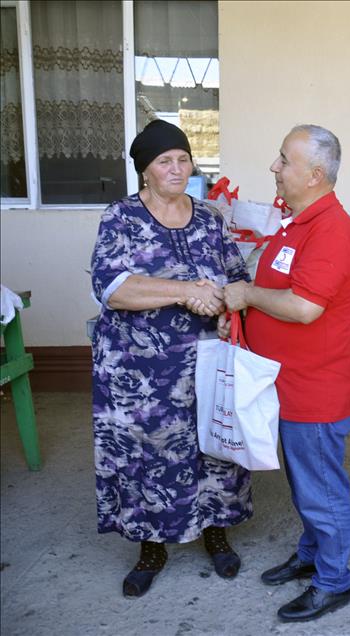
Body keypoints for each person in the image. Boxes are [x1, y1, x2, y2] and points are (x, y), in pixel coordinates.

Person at [90, 119, 251, 598]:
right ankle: (150, 546)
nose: (177, 168)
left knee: (213, 447)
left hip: (205, 361)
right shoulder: (120, 218)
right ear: (146, 172)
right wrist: (185, 292)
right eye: (165, 161)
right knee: (147, 453)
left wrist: (225, 310)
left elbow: (237, 279)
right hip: (138, 370)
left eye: (183, 159)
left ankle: (216, 532)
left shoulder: (210, 217)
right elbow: (112, 288)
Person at [221, 124, 350, 624]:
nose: (274, 168)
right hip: (288, 385)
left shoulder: (331, 230)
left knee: (321, 487)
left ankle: (333, 582)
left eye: (284, 160)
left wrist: (246, 296)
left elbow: (304, 307)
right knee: (308, 484)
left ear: (316, 174)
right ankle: (312, 554)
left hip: (316, 390)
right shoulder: (297, 223)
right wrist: (243, 310)